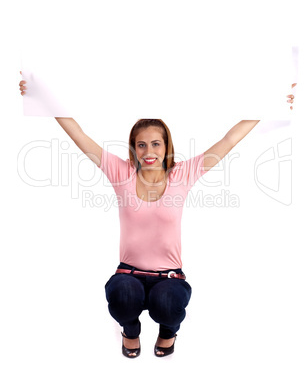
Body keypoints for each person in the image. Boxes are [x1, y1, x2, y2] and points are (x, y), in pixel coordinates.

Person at [18, 73, 296, 358]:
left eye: (155, 144)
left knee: (167, 303)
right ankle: (130, 330)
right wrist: (45, 99)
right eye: (141, 144)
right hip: (128, 273)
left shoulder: (182, 174)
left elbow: (229, 139)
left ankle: (167, 332)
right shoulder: (120, 173)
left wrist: (266, 106)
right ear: (134, 149)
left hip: (170, 277)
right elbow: (79, 135)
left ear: (166, 147)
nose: (148, 151)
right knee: (123, 296)